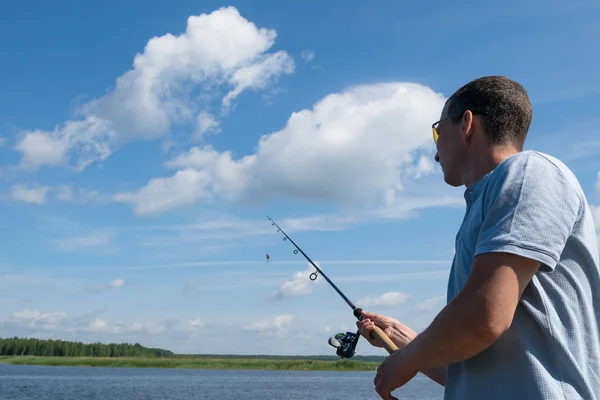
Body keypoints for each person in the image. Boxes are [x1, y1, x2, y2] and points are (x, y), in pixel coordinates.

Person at [357, 76, 600, 400]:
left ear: (467, 124)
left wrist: (407, 358)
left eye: (436, 131)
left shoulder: (528, 172)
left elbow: (483, 318)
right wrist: (403, 340)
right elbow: (466, 369)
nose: (434, 151)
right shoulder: (490, 202)